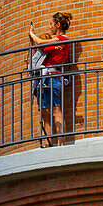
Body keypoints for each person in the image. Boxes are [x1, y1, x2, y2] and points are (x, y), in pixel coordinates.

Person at [28, 11, 73, 146]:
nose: (50, 27)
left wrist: (32, 34)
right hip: (45, 78)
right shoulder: (56, 43)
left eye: (51, 24)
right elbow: (40, 47)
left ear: (58, 25)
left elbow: (40, 42)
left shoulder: (63, 39)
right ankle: (46, 143)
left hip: (53, 77)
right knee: (45, 112)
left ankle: (60, 142)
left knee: (55, 109)